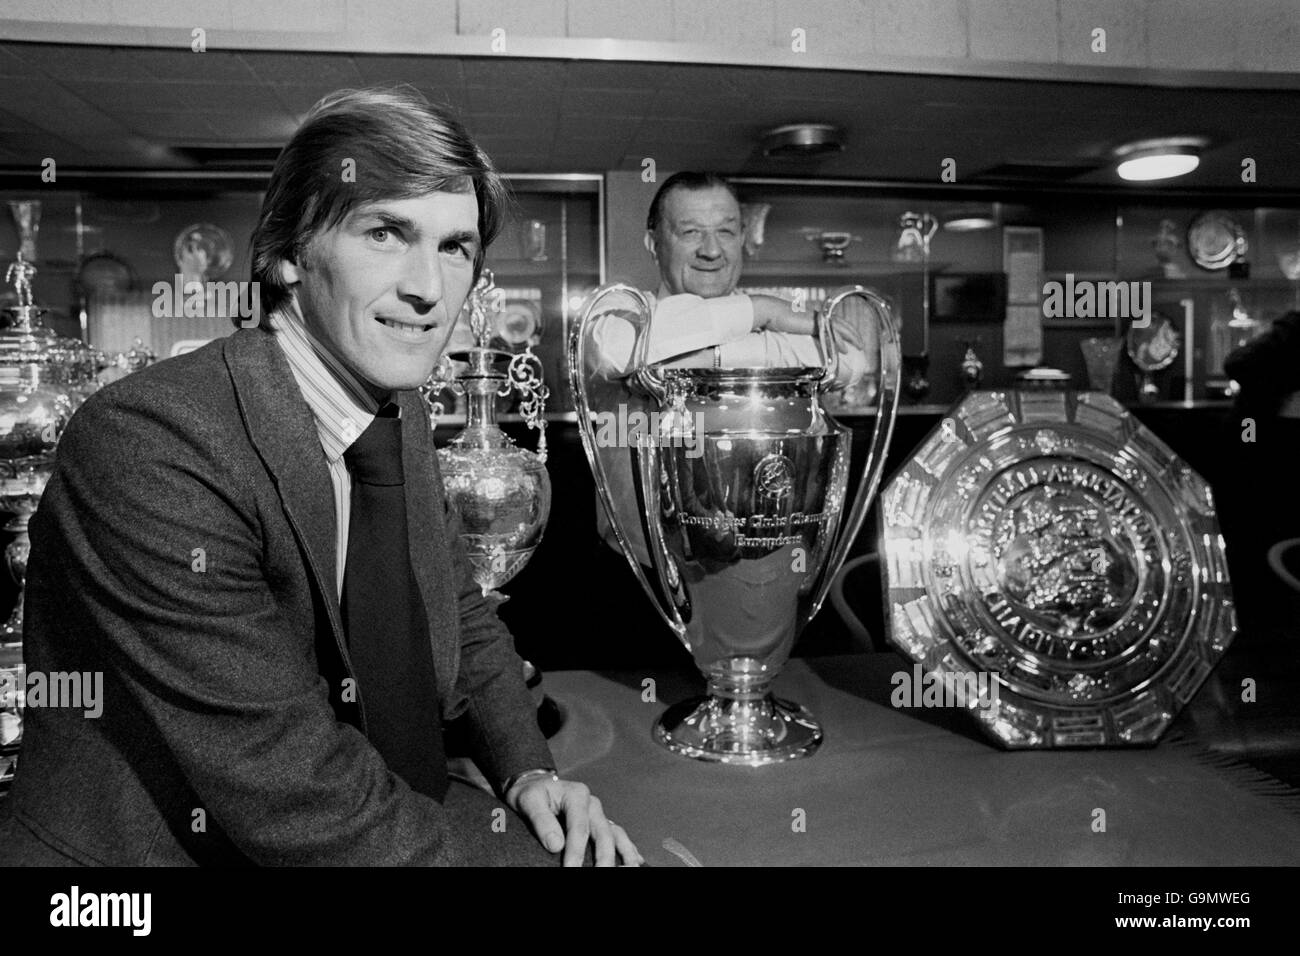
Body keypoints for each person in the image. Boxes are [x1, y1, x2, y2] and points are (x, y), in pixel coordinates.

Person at [0, 87, 640, 867]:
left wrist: (530, 772)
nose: (428, 288)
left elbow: (459, 613)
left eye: (455, 247)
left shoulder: (390, 415)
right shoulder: (154, 441)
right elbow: (298, 794)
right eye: (385, 232)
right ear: (287, 253)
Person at [577, 172, 878, 667]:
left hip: (762, 575)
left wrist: (726, 340)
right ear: (654, 242)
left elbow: (851, 361)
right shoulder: (622, 316)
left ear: (742, 238)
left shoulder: (773, 318)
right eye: (690, 231)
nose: (711, 250)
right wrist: (760, 312)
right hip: (643, 582)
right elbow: (618, 352)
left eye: (726, 231)